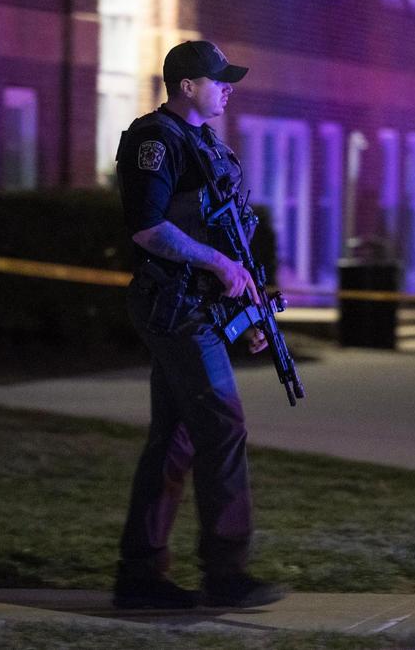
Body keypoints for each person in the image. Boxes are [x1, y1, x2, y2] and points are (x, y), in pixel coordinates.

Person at [111, 40, 283, 609]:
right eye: (218, 80)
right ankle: (226, 573)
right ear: (188, 86)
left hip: (199, 307)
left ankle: (140, 578)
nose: (228, 88)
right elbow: (147, 228)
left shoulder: (204, 142)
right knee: (222, 428)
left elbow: (225, 235)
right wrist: (219, 266)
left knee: (176, 439)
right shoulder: (155, 140)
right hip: (173, 306)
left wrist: (248, 312)